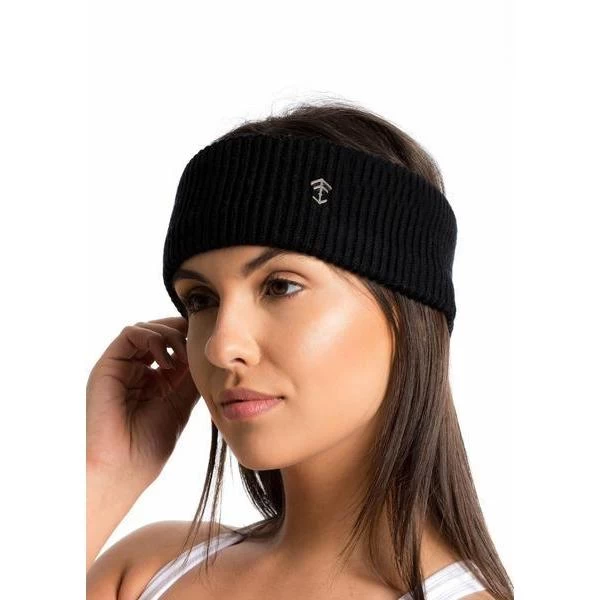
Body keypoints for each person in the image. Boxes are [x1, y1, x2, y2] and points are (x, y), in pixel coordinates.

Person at [87, 101, 513, 600]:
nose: (221, 345)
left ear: (405, 314)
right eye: (200, 299)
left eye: (281, 286)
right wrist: (105, 475)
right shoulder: (148, 570)